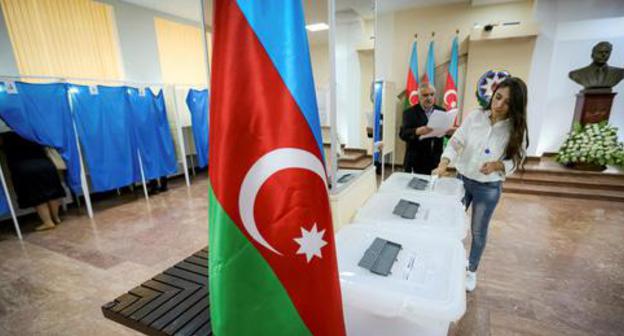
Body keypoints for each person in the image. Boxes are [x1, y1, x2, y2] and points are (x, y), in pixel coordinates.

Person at [434, 77, 529, 292]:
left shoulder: (515, 128)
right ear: (492, 94)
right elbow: (456, 141)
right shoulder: (476, 116)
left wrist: (497, 165)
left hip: (488, 188)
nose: (499, 105)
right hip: (463, 179)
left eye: (507, 103)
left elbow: (517, 160)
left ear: (515, 107)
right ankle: (446, 261)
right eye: (498, 98)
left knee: (478, 231)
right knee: (451, 223)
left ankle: (471, 270)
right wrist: (443, 163)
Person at [3, 132, 66, 231]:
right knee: (52, 192)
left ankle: (48, 222)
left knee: (37, 196)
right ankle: (56, 218)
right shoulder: (31, 127)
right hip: (45, 164)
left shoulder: (6, 134)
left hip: (25, 167)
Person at [399, 83, 453, 174]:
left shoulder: (442, 111)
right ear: (419, 97)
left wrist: (449, 133)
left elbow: (444, 133)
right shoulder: (409, 113)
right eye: (425, 95)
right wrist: (417, 131)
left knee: (433, 186)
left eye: (432, 95)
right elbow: (403, 134)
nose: (429, 98)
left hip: (435, 160)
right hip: (415, 160)